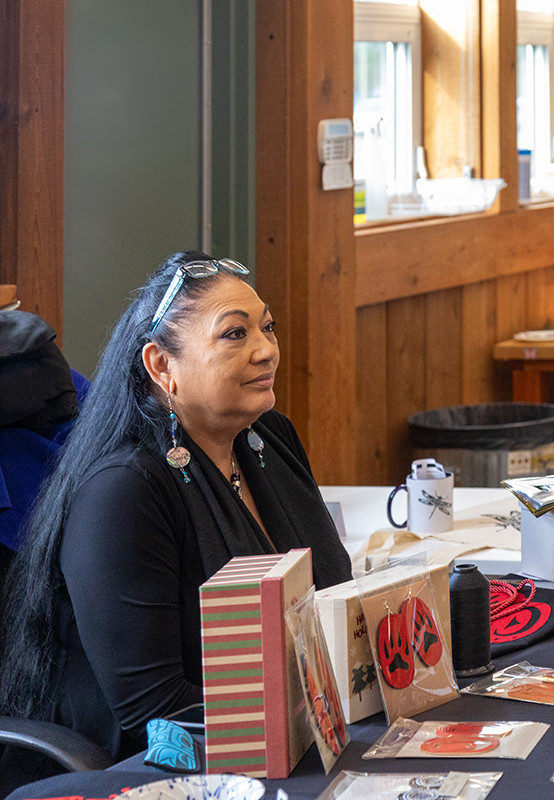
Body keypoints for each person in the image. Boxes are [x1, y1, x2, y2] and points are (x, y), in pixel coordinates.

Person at [0, 252, 353, 762]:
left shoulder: (268, 437)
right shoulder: (121, 492)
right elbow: (154, 709)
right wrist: (320, 705)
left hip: (302, 732)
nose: (267, 351)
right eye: (235, 334)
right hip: (163, 765)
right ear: (161, 365)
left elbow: (331, 590)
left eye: (268, 327)